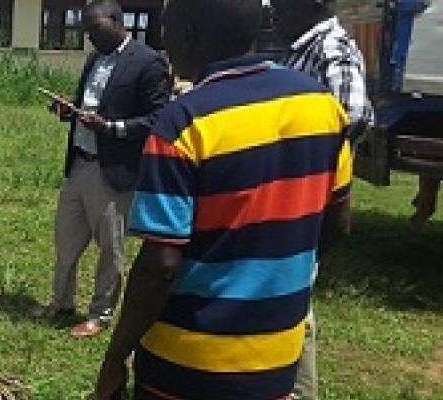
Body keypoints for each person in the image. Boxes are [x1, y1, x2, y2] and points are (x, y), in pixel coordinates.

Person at [94, 0, 351, 398]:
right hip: (277, 358)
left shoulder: (183, 124)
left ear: (187, 35)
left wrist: (115, 358)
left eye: (165, 30)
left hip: (186, 367)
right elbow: (336, 225)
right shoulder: (323, 107)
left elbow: (161, 265)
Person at [34, 0, 171, 338]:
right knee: (66, 239)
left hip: (113, 169)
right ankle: (61, 302)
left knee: (110, 248)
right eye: (86, 31)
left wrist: (111, 127)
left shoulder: (148, 62)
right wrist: (70, 112)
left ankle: (101, 315)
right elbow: (88, 105)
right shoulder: (95, 58)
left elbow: (158, 119)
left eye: (95, 29)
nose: (90, 37)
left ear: (116, 21)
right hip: (80, 161)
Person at [272, 0, 374, 397]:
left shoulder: (331, 48)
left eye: (282, 7)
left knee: (295, 303)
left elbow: (352, 114)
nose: (275, 15)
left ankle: (298, 392)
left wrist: (299, 157)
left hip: (307, 197)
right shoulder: (300, 47)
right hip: (291, 194)